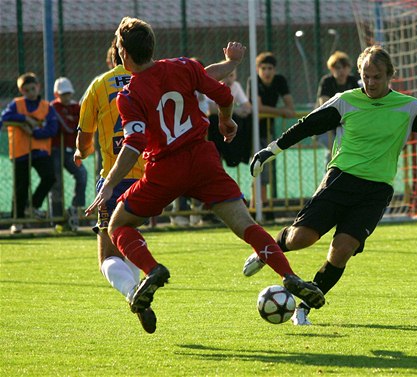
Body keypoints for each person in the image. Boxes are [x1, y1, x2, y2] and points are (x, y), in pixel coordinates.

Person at [244, 45, 417, 325]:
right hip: (340, 179)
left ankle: (303, 309)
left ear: (390, 76)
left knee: (342, 250)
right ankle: (267, 251)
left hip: (376, 191)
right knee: (301, 239)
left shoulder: (409, 107)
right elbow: (307, 125)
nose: (370, 82)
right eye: (366, 76)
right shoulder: (345, 101)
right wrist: (270, 151)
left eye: (376, 77)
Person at [86, 17, 324, 322]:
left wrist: (109, 184)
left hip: (165, 169)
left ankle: (153, 269)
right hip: (202, 159)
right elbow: (223, 94)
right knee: (246, 225)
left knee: (118, 225)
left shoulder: (129, 95)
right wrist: (226, 120)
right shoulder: (182, 66)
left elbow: (134, 144)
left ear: (124, 54)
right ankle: (289, 275)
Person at [75, 36, 251, 333]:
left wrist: (82, 151)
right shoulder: (160, 75)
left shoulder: (100, 86)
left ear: (116, 57)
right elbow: (204, 75)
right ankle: (140, 289)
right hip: (154, 174)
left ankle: (134, 292)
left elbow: (84, 136)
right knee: (127, 240)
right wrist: (232, 63)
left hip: (117, 176)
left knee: (108, 254)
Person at [1, 72, 58, 234]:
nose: (30, 92)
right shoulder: (16, 104)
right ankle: (17, 221)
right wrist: (25, 119)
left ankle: (32, 205)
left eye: (33, 88)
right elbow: (5, 116)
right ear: (21, 91)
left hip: (40, 150)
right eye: (26, 90)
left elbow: (52, 129)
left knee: (49, 177)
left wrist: (34, 133)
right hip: (20, 151)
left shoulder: (47, 107)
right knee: (21, 186)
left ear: (38, 87)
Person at [247, 52, 296, 219]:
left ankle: (261, 208)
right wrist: (281, 112)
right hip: (250, 130)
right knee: (257, 168)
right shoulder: (253, 81)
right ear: (257, 69)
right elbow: (258, 107)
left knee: (265, 168)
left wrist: (283, 111)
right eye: (263, 68)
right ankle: (258, 208)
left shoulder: (280, 81)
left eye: (270, 68)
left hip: (268, 131)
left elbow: (291, 108)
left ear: (275, 70)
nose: (267, 72)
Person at [50, 77, 87, 231]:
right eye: (63, 94)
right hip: (56, 149)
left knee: (82, 175)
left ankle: (76, 209)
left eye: (68, 93)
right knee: (56, 183)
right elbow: (70, 127)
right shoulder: (53, 107)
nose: (66, 97)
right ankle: (57, 219)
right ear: (56, 94)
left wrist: (72, 122)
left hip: (71, 150)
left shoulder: (76, 106)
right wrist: (72, 121)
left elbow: (80, 124)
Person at [315, 50, 361, 167]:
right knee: (333, 153)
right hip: (327, 126)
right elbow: (325, 105)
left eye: (345, 67)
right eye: (338, 68)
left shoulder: (352, 81)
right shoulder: (327, 81)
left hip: (346, 124)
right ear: (332, 69)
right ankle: (329, 178)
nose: (341, 71)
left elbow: (358, 103)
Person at [208, 68, 253, 167]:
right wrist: (235, 111)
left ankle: (240, 155)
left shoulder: (236, 86)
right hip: (214, 128)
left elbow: (247, 107)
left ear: (235, 76)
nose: (228, 79)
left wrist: (233, 112)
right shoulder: (212, 85)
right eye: (225, 76)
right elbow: (211, 109)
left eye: (231, 75)